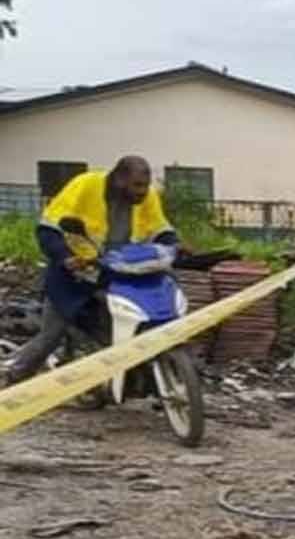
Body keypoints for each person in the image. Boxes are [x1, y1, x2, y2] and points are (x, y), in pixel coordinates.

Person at [6, 156, 177, 385]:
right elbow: (48, 228)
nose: (143, 192)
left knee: (143, 317)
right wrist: (65, 257)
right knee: (53, 333)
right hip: (75, 273)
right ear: (118, 179)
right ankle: (14, 378)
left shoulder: (147, 197)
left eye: (145, 185)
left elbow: (160, 229)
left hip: (119, 272)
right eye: (136, 185)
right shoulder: (86, 185)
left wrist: (173, 245)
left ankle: (152, 380)